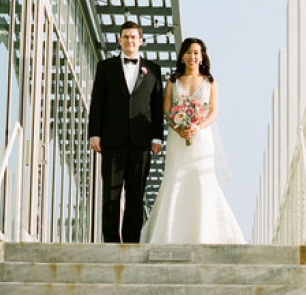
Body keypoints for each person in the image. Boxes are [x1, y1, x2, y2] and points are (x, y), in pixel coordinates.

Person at [142, 37, 244, 245]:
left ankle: (206, 232)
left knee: (201, 177)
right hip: (178, 138)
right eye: (188, 52)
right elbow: (166, 111)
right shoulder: (173, 81)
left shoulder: (210, 82)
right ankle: (170, 233)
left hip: (201, 138)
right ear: (182, 56)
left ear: (202, 56)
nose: (192, 57)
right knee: (175, 177)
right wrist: (179, 128)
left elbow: (213, 112)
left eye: (196, 53)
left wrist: (197, 126)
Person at [88, 20, 164, 243]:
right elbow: (97, 102)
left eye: (133, 37)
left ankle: (132, 242)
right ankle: (110, 242)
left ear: (141, 41)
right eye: (126, 37)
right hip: (112, 139)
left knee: (136, 194)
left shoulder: (153, 70)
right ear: (119, 40)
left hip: (142, 141)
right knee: (110, 194)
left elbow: (157, 106)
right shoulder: (105, 67)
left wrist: (157, 137)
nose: (130, 41)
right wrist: (94, 133)